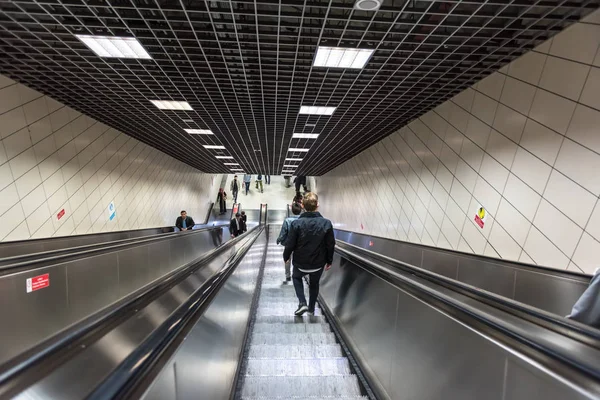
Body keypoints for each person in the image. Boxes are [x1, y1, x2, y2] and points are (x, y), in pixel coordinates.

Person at [283, 192, 335, 316]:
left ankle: (302, 303)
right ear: (317, 205)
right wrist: (329, 261)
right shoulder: (326, 223)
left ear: (302, 205)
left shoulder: (296, 224)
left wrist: (286, 257)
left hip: (300, 263)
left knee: (296, 277)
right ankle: (311, 309)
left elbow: (290, 244)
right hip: (318, 263)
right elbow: (330, 244)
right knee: (314, 283)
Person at [277, 202, 302, 282]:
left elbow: (283, 232)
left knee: (287, 259)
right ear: (301, 210)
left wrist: (279, 239)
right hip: (300, 244)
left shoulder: (287, 220)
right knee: (298, 258)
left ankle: (288, 275)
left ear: (292, 210)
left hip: (289, 243)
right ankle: (297, 274)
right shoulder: (303, 220)